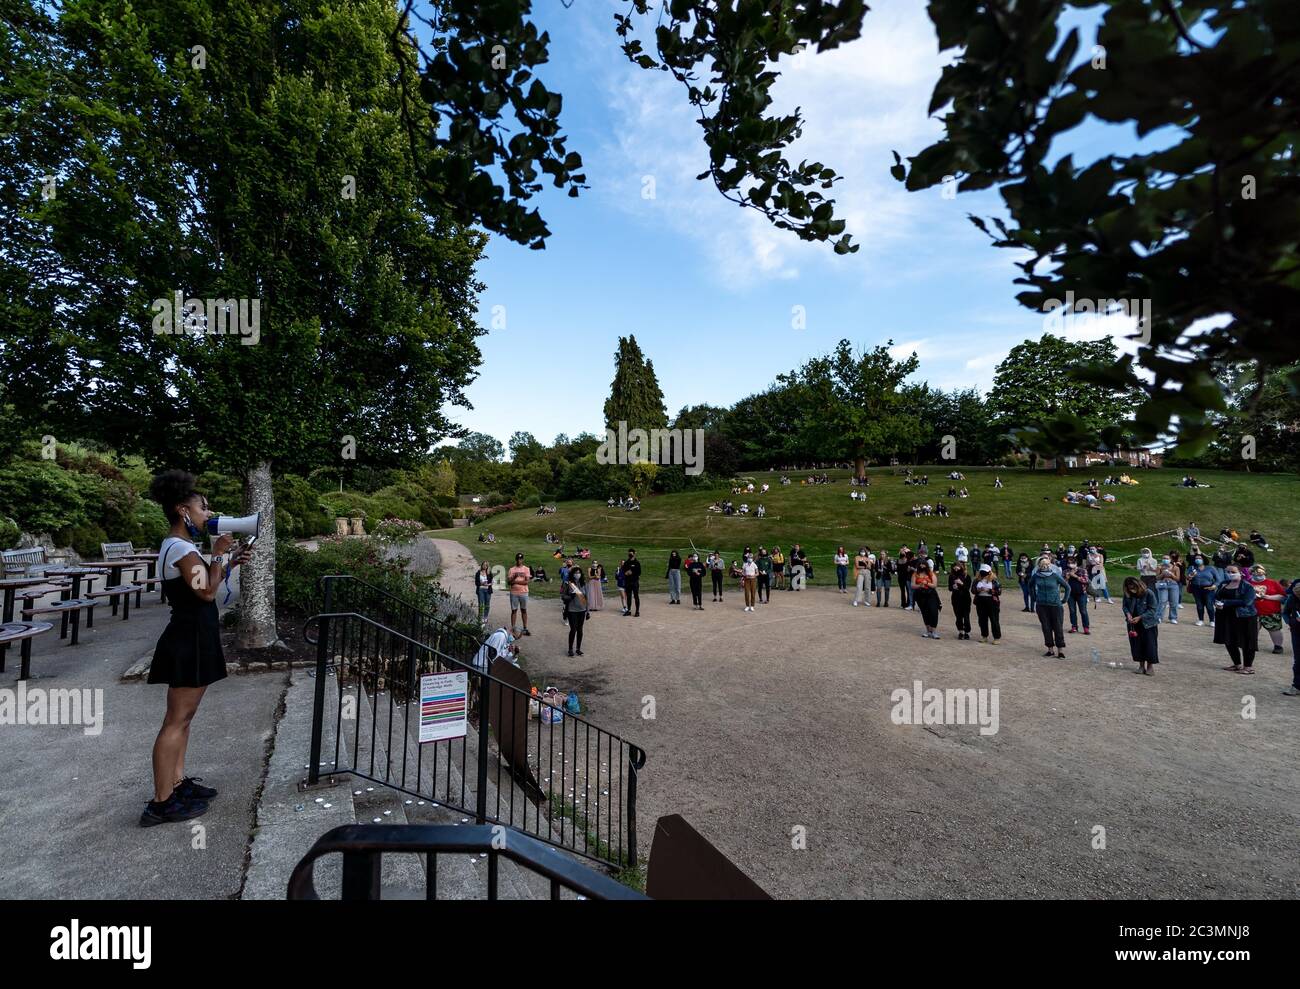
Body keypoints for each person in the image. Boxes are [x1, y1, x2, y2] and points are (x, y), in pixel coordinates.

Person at [140, 470, 253, 827]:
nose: (208, 513)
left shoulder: (181, 547)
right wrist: (218, 554)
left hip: (194, 635)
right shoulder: (179, 547)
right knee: (175, 720)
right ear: (183, 511)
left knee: (184, 719)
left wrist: (228, 562)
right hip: (188, 638)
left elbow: (206, 584)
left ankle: (176, 784)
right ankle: (161, 803)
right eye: (202, 508)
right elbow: (206, 591)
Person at [1213, 566, 1258, 674]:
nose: (1230, 573)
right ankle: (1237, 664)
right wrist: (1217, 602)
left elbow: (1247, 602)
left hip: (1244, 617)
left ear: (1241, 573)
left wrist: (1225, 603)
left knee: (1247, 642)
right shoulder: (1224, 583)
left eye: (1233, 572)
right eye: (1227, 571)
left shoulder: (1247, 586)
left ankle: (1248, 667)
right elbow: (1216, 596)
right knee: (1228, 640)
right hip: (1225, 616)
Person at [1031, 556, 1070, 659]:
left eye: (1047, 564)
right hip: (1042, 605)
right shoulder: (1036, 576)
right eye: (1043, 564)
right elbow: (1030, 585)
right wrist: (1034, 597)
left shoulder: (1055, 576)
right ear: (1039, 565)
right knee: (1046, 627)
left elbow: (1067, 587)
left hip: (1055, 605)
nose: (1045, 566)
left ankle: (1060, 650)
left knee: (1058, 627)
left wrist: (1064, 599)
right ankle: (1050, 649)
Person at [1122, 577, 1160, 675]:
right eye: (1129, 588)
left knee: (1150, 645)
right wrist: (1128, 614)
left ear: (1138, 585)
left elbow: (1152, 609)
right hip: (1133, 625)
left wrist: (1141, 617)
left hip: (1148, 624)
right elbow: (1125, 606)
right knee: (1136, 645)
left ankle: (1150, 667)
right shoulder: (1128, 594)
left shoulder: (1149, 593)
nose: (1132, 590)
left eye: (1133, 587)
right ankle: (1141, 666)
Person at [1248, 564, 1288, 654]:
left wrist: (1268, 597)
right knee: (1252, 629)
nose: (1258, 576)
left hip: (1271, 611)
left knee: (1274, 629)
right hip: (1252, 611)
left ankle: (1278, 646)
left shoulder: (1273, 583)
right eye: (1255, 574)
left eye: (1260, 574)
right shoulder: (1247, 583)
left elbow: (1282, 596)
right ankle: (1252, 644)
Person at [561, 567, 589, 656]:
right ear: (572, 574)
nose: (578, 574)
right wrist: (570, 597)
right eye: (576, 572)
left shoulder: (584, 584)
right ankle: (570, 649)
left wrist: (587, 611)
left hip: (582, 609)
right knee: (573, 629)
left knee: (580, 629)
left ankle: (578, 649)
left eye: (579, 572)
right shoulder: (568, 584)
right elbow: (563, 596)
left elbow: (586, 598)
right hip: (572, 610)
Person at [972, 564, 1002, 644]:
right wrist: (978, 590)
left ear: (989, 572)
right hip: (980, 601)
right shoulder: (976, 580)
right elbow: (973, 590)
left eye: (984, 572)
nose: (983, 574)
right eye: (982, 572)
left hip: (992, 602)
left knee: (994, 620)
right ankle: (984, 636)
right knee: (982, 620)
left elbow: (999, 591)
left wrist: (989, 590)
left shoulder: (994, 581)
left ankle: (996, 637)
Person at [911, 560, 941, 638]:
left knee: (933, 611)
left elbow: (934, 585)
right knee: (925, 613)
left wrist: (927, 583)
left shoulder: (931, 574)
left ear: (926, 565)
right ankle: (928, 631)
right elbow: (912, 585)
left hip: (931, 594)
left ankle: (934, 631)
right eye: (920, 565)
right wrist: (919, 585)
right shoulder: (915, 574)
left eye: (923, 565)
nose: (922, 566)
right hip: (920, 595)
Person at [1187, 556, 1220, 626]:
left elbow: (1218, 579)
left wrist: (1214, 586)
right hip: (1196, 588)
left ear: (1203, 560)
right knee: (1199, 605)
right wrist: (1191, 575)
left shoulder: (1211, 568)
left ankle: (1212, 620)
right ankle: (1200, 620)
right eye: (1196, 559)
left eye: (1199, 558)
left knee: (1209, 604)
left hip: (1209, 588)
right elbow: (1188, 578)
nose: (1197, 560)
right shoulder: (1192, 568)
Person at [506, 552, 532, 636]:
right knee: (514, 610)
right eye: (517, 559)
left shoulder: (526, 569)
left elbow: (527, 582)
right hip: (514, 592)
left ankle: (525, 628)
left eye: (520, 559)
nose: (519, 560)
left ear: (522, 559)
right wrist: (514, 577)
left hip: (524, 592)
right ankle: (513, 628)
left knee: (524, 610)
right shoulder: (512, 569)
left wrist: (516, 581)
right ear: (516, 559)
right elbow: (509, 582)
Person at [1282, 577, 1300, 696]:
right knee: (1298, 660)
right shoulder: (1292, 598)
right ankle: (1296, 686)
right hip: (1297, 632)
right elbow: (1285, 613)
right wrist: (1290, 622)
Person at [948, 562, 972, 639]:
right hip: (956, 598)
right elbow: (949, 588)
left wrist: (961, 583)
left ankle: (967, 632)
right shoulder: (952, 576)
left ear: (961, 567)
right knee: (958, 616)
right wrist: (953, 587)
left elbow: (967, 588)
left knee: (966, 616)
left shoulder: (966, 576)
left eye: (957, 566)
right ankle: (961, 631)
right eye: (954, 567)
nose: (955, 568)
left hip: (965, 598)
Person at [1154, 555, 1181, 624]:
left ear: (1170, 559)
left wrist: (1171, 574)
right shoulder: (1159, 567)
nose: (1165, 559)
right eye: (1164, 558)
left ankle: (1173, 618)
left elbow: (1178, 579)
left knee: (1174, 602)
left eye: (1167, 558)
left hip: (1173, 585)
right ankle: (1158, 617)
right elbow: (1157, 578)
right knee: (1162, 601)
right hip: (1163, 584)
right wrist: (1162, 574)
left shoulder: (1176, 568)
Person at [1065, 564, 1091, 635]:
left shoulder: (1082, 570)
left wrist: (1075, 576)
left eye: (1072, 562)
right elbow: (1064, 584)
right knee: (1072, 611)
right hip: (1070, 594)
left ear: (1076, 563)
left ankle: (1086, 628)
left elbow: (1086, 581)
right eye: (1069, 562)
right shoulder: (1066, 571)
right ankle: (1074, 626)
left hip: (1081, 594)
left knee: (1083, 611)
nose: (1070, 564)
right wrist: (1067, 578)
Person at [623, 548, 642, 617]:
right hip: (628, 582)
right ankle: (629, 610)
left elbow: (639, 572)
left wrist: (632, 573)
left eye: (631, 553)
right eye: (629, 553)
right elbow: (623, 570)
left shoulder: (637, 563)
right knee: (628, 596)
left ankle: (637, 611)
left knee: (636, 596)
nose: (630, 555)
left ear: (634, 554)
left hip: (635, 582)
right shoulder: (626, 562)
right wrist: (626, 573)